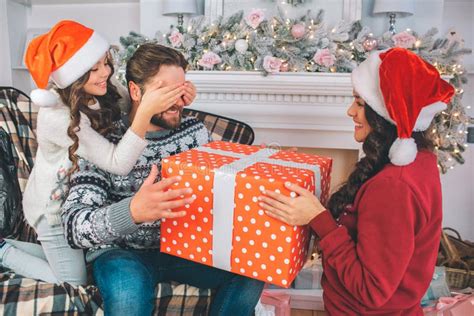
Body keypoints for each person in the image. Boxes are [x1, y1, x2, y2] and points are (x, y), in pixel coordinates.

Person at [61, 43, 264, 316]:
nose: (178, 101)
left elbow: (228, 180)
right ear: (135, 92)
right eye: (165, 91)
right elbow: (74, 226)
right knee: (127, 299)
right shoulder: (103, 141)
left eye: (181, 90)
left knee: (253, 266)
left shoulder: (195, 133)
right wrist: (132, 212)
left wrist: (265, 163)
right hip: (121, 253)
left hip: (184, 249)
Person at [259, 47, 455, 315]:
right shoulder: (418, 161)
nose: (350, 112)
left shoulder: (393, 186)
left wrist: (319, 219)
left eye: (360, 103)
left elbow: (370, 290)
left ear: (386, 113)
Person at [0, 20, 197, 286]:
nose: (105, 72)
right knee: (75, 282)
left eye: (106, 62)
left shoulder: (102, 87)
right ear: (74, 76)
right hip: (54, 209)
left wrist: (175, 97)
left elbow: (136, 100)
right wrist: (148, 110)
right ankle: (4, 251)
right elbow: (117, 162)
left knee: (81, 265)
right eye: (94, 69)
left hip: (78, 196)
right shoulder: (58, 117)